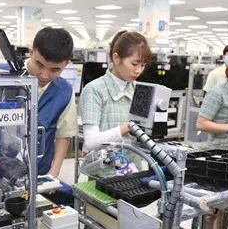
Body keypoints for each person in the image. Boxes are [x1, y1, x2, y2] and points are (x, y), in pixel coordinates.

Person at [78, 31, 152, 154]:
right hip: (102, 170)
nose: (139, 70)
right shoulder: (94, 90)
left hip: (133, 167)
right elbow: (91, 141)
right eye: (134, 64)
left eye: (143, 65)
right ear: (116, 58)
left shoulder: (138, 90)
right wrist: (128, 127)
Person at [24, 27, 77, 180]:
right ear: (31, 52)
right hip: (0, 170)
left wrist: (54, 172)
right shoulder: (4, 79)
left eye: (55, 70)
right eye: (39, 65)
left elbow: (63, 134)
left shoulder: (64, 91)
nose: (45, 75)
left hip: (40, 170)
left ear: (66, 64)